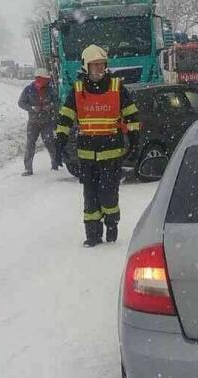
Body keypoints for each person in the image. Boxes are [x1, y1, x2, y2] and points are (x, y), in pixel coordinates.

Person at [55, 45, 140, 248]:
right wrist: (59, 142)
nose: (98, 70)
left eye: (101, 66)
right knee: (90, 197)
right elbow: (65, 117)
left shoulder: (117, 88)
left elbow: (132, 114)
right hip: (87, 156)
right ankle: (92, 235)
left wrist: (135, 140)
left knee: (109, 195)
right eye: (94, 66)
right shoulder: (76, 91)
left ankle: (111, 228)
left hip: (111, 154)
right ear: (86, 67)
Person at [18, 68, 62, 176]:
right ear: (38, 79)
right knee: (30, 145)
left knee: (50, 143)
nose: (47, 81)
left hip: (46, 122)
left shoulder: (50, 89)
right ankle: (28, 169)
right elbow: (21, 103)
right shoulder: (28, 90)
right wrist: (32, 108)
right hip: (33, 123)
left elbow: (57, 101)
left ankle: (55, 164)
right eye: (45, 79)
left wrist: (50, 106)